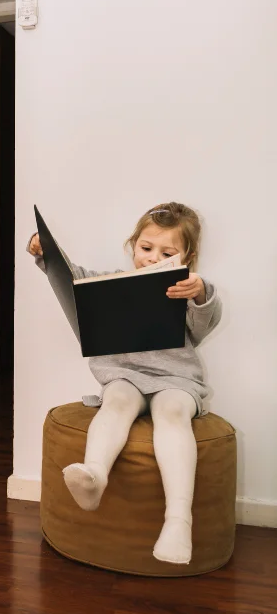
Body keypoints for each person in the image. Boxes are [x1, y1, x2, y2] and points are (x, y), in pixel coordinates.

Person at [28, 202, 221, 565]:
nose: (152, 258)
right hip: (124, 378)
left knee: (173, 413)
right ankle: (95, 475)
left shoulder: (184, 288)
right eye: (146, 248)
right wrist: (45, 252)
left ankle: (178, 520)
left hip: (175, 379)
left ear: (188, 256)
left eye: (167, 252)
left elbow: (205, 321)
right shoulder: (116, 280)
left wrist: (198, 290)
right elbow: (75, 279)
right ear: (133, 244)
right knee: (116, 400)